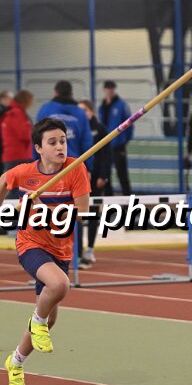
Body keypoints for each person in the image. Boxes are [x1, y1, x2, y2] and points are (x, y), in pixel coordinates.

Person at [0, 117, 90, 385]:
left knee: (50, 318)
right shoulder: (25, 173)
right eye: (52, 142)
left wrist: (45, 207)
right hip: (31, 244)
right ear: (38, 148)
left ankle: (15, 362)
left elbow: (83, 214)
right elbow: (3, 181)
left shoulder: (75, 169)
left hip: (61, 249)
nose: (60, 147)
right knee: (59, 285)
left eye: (63, 141)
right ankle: (37, 323)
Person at [78, 99, 112, 267]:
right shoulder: (76, 128)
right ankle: (76, 250)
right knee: (76, 213)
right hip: (79, 177)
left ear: (91, 111)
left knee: (92, 213)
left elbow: (106, 154)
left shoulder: (100, 129)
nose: (81, 113)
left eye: (84, 110)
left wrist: (103, 176)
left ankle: (90, 248)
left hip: (96, 177)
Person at [36, 80, 92, 162]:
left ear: (55, 93)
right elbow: (86, 142)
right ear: (71, 94)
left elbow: (36, 137)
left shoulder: (45, 110)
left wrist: (36, 162)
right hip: (74, 163)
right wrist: (87, 165)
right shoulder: (80, 113)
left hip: (49, 163)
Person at [98, 80, 133, 195]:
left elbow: (129, 124)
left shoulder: (121, 105)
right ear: (104, 90)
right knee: (105, 175)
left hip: (118, 146)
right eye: (107, 88)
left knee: (122, 175)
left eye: (111, 88)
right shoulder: (102, 107)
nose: (109, 91)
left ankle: (129, 201)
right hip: (105, 146)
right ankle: (109, 200)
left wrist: (123, 141)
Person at [0, 90, 34, 180]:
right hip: (18, 156)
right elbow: (25, 135)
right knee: (18, 185)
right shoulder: (17, 114)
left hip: (14, 155)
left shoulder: (13, 112)